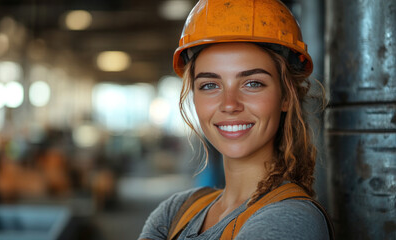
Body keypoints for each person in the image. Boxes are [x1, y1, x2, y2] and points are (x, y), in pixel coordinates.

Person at [139, 0, 333, 239]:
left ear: (286, 97)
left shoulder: (290, 218)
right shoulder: (176, 211)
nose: (229, 104)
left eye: (252, 84)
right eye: (210, 85)